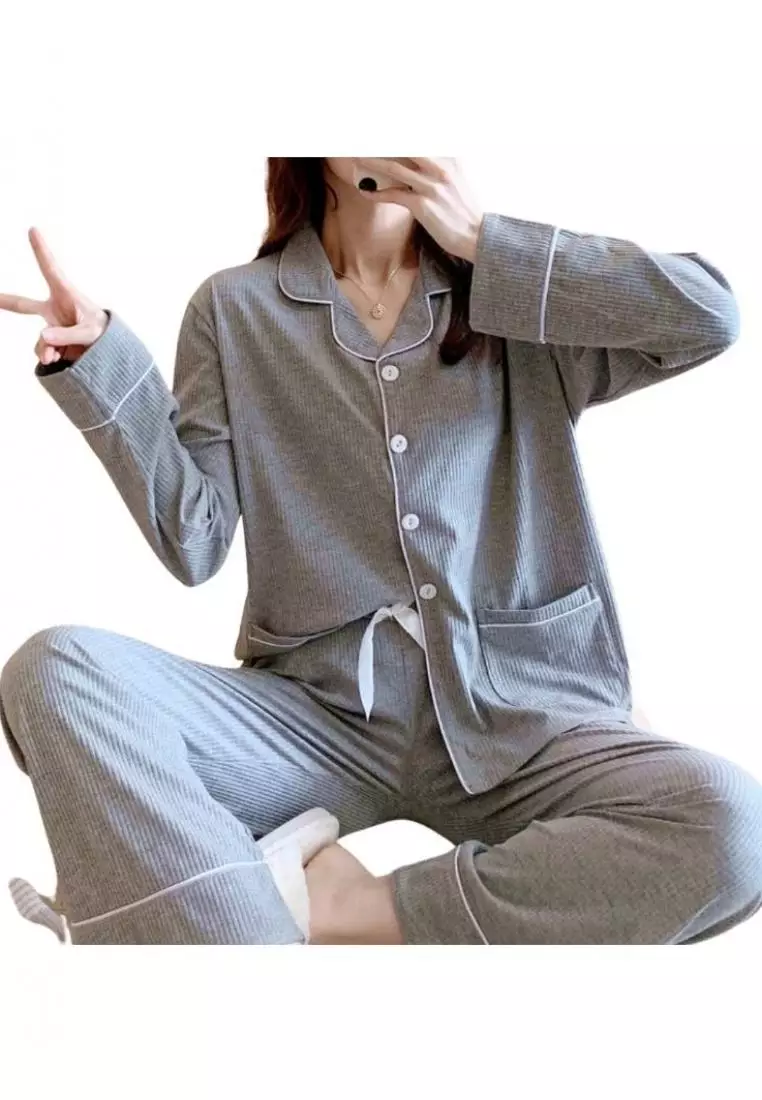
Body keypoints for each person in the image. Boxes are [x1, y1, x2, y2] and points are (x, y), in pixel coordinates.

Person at [1, 156, 761, 945]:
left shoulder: (514, 291)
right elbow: (195, 539)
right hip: (314, 720)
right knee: (57, 670)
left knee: (733, 827)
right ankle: (238, 942)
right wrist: (103, 367)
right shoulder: (235, 308)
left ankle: (329, 910)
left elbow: (708, 314)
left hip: (521, 716)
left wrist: (485, 243)